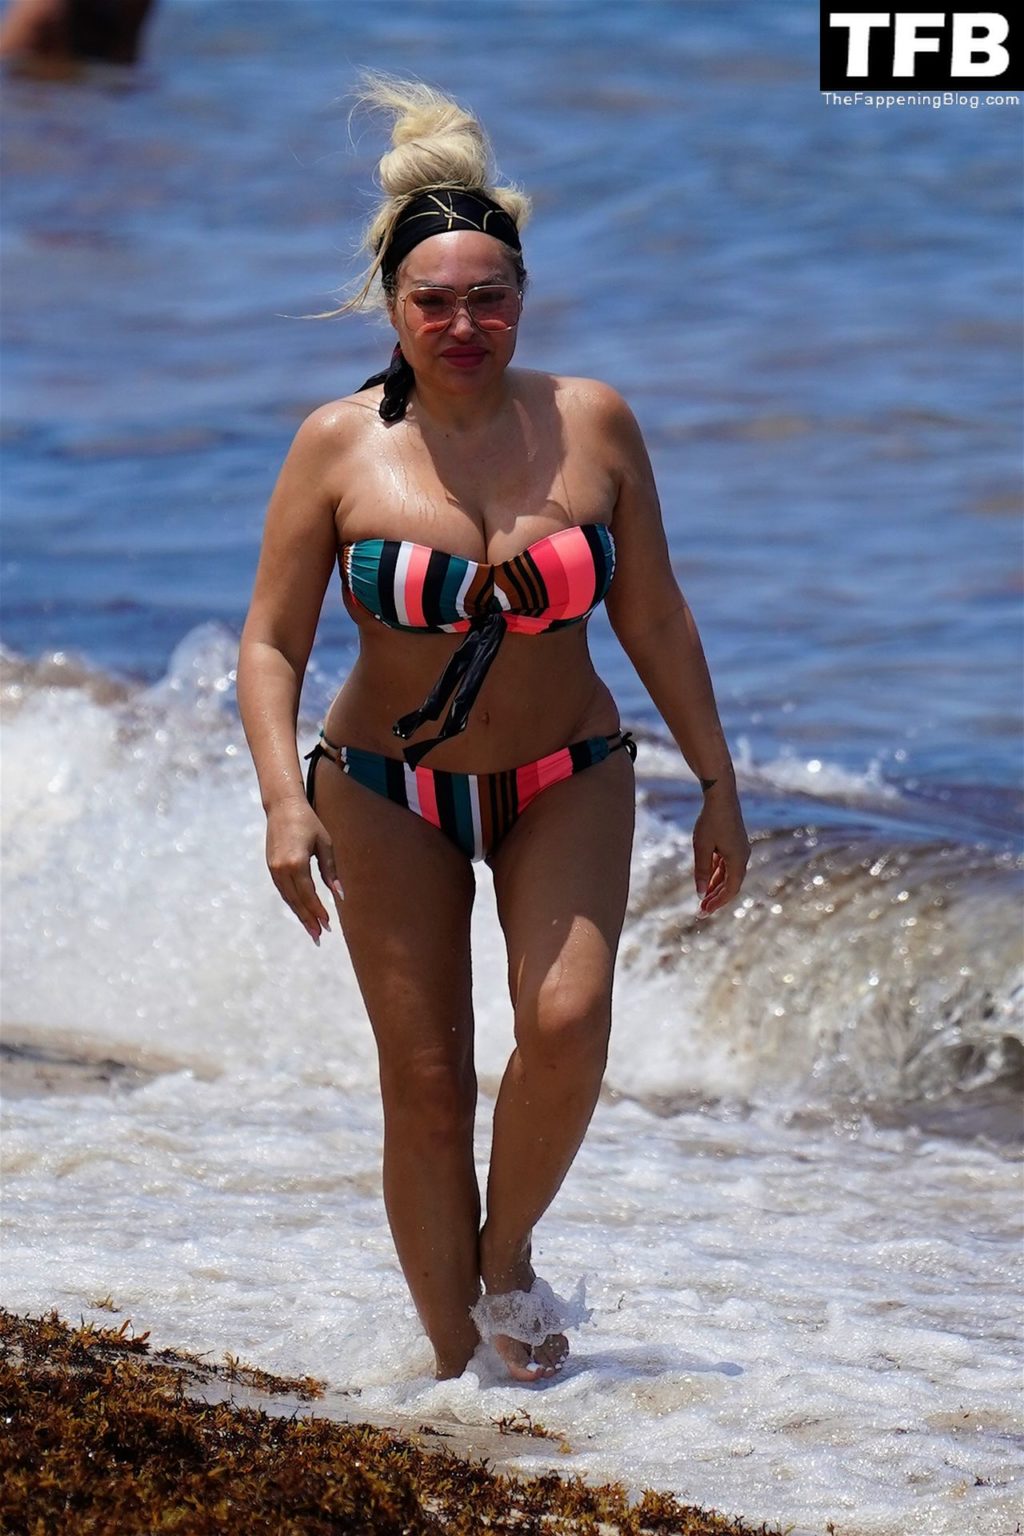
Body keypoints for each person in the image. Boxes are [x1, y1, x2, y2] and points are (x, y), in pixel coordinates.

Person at [237, 77, 750, 1385]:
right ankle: (458, 1379)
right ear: (393, 305)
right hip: (382, 788)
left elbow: (656, 613)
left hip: (566, 771)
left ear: (522, 296)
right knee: (426, 1085)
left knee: (569, 1020)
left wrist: (717, 781)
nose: (464, 324)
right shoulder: (337, 447)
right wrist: (284, 801)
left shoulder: (593, 423)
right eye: (435, 301)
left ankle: (507, 1254)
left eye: (491, 298)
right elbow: (271, 642)